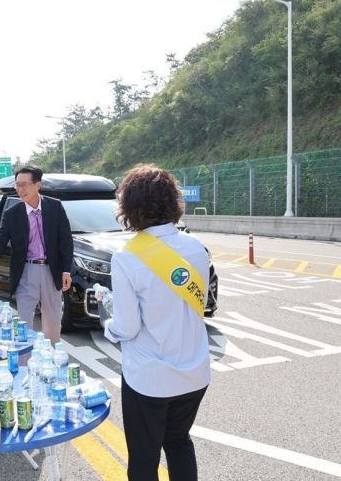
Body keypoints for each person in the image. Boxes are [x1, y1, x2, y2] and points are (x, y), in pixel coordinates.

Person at [103, 164, 210, 481]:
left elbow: (127, 326)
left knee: (144, 460)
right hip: (193, 372)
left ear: (129, 207)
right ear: (172, 202)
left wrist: (108, 325)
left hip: (149, 379)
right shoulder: (196, 248)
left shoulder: (126, 256)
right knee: (178, 442)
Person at [0, 165, 73, 344]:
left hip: (51, 271)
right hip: (26, 271)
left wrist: (66, 270)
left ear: (38, 185)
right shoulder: (12, 214)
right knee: (24, 325)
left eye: (25, 184)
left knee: (53, 324)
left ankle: (51, 363)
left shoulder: (54, 207)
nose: (20, 189)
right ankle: (25, 366)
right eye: (17, 185)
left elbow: (65, 240)